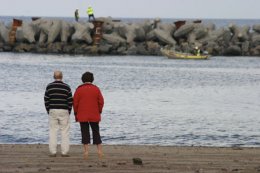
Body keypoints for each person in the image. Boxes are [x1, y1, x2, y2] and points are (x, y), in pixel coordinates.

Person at [73, 72, 104, 159]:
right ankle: (99, 151)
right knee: (96, 131)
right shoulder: (96, 89)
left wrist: (76, 113)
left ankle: (86, 151)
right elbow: (101, 101)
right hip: (94, 113)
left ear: (82, 80)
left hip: (82, 114)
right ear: (92, 79)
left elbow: (75, 103)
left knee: (84, 132)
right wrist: (99, 111)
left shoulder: (79, 90)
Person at [44, 71, 73, 157]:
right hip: (64, 110)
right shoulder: (67, 87)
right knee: (65, 131)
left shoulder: (49, 86)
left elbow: (46, 99)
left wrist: (48, 110)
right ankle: (64, 152)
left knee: (53, 131)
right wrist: (69, 111)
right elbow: (70, 101)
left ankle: (53, 152)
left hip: (52, 110)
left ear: (54, 77)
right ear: (62, 77)